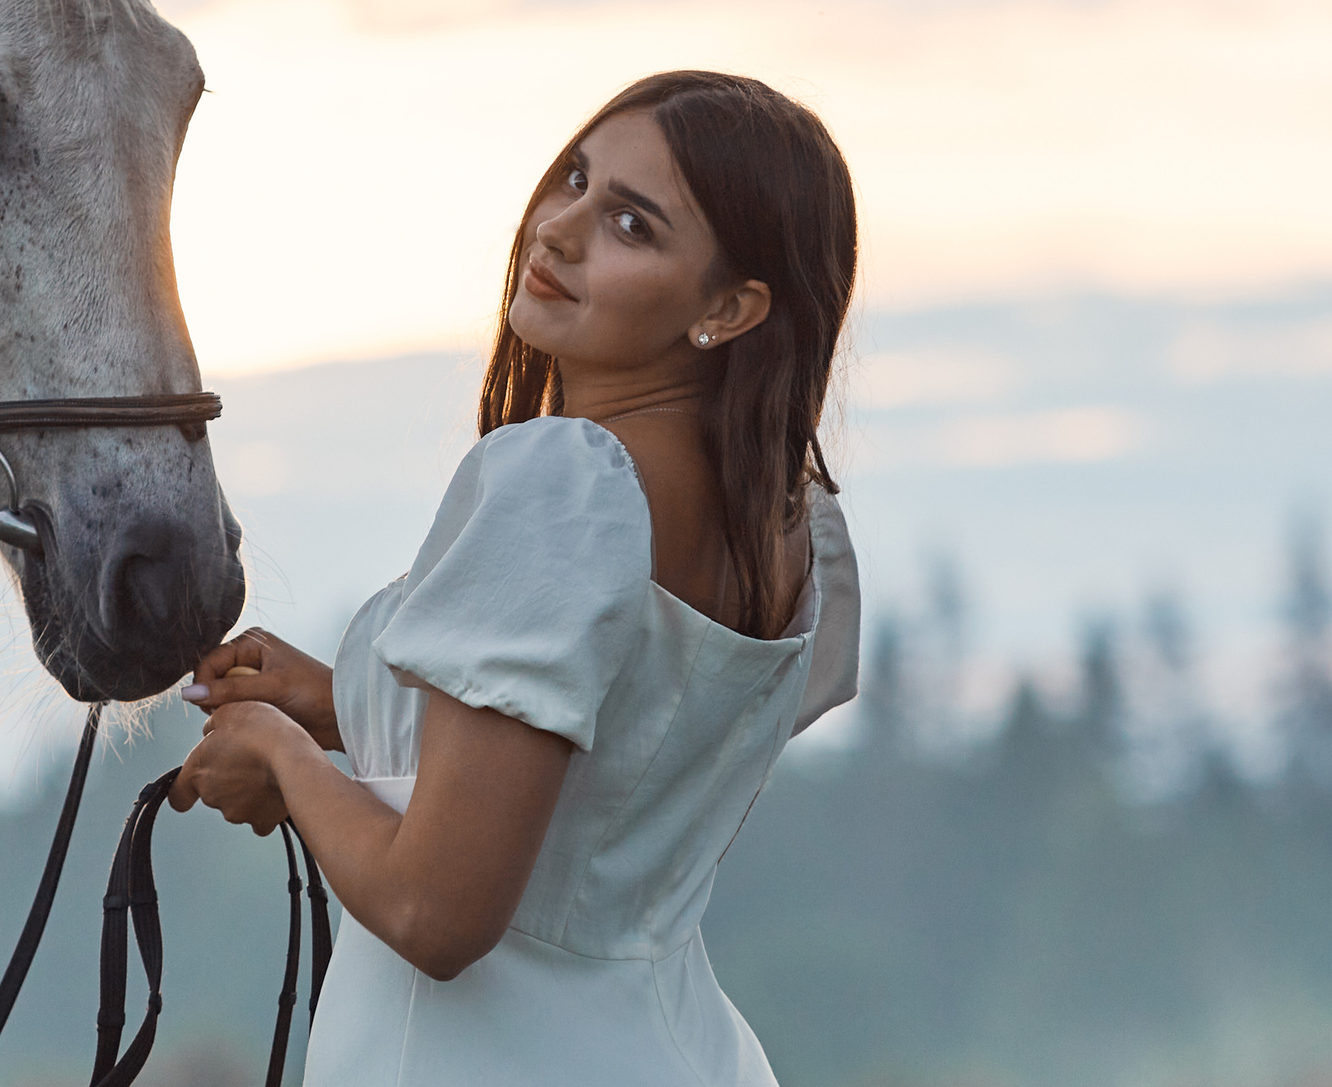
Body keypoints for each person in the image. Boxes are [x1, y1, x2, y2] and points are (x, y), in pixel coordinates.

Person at [171, 70, 863, 1086]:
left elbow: (436, 913)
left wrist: (281, 757)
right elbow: (626, 768)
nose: (559, 229)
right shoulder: (793, 526)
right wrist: (345, 702)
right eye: (574, 179)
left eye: (631, 225)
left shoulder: (564, 483)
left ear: (730, 305)